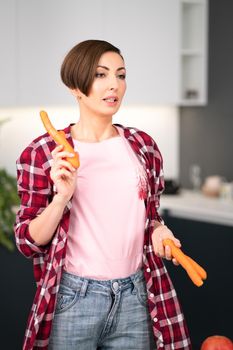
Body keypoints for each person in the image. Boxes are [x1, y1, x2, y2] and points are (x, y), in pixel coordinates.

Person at [14, 39, 191, 350]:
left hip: (136, 295)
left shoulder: (142, 145)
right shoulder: (44, 152)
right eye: (101, 75)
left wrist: (158, 230)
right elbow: (28, 242)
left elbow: (149, 216)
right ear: (75, 86)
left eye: (120, 75)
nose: (114, 86)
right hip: (74, 298)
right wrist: (61, 197)